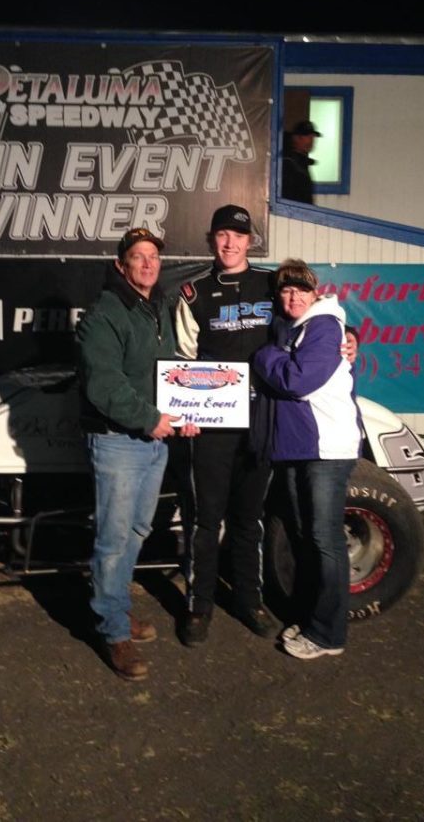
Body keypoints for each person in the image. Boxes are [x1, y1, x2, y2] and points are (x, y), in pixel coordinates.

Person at [76, 227, 198, 681]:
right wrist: (150, 418)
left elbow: (169, 372)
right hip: (118, 440)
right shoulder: (104, 315)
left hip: (154, 439)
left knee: (136, 530)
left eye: (153, 257)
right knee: (112, 540)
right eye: (138, 257)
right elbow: (104, 385)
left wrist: (186, 408)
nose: (148, 264)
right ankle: (111, 632)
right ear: (120, 266)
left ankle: (117, 608)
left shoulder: (156, 308)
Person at [174, 204, 279, 646]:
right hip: (211, 425)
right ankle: (199, 607)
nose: (230, 243)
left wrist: (347, 342)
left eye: (238, 235)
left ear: (250, 241)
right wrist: (186, 412)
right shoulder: (194, 293)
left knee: (249, 518)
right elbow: (182, 359)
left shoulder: (274, 284)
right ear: (212, 240)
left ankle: (250, 601)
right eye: (222, 235)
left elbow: (313, 320)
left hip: (259, 422)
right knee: (204, 518)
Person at [251, 259, 362, 660]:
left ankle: (329, 634)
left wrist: (264, 357)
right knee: (306, 537)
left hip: (327, 449)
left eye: (301, 289)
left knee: (325, 540)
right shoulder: (293, 327)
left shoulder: (324, 325)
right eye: (285, 290)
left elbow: (297, 381)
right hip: (300, 448)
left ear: (315, 293)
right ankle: (314, 617)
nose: (293, 296)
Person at [282, 120, 321, 204]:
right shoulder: (288, 164)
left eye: (313, 137)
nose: (311, 140)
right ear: (296, 138)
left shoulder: (302, 163)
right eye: (307, 136)